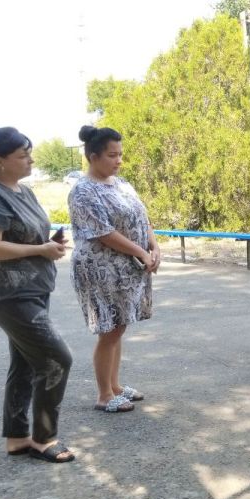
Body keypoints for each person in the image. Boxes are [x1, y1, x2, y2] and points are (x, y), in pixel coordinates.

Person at [0, 124, 75, 463]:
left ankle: (17, 438)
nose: (30, 159)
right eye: (22, 155)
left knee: (26, 364)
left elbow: (27, 236)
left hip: (34, 287)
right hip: (9, 295)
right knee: (57, 358)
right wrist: (39, 250)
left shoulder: (22, 192)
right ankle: (44, 439)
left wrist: (47, 245)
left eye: (29, 152)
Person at [69, 126, 160, 413]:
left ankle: (115, 386)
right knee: (109, 329)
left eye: (120, 154)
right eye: (112, 155)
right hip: (101, 270)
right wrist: (141, 252)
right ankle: (104, 395)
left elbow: (143, 218)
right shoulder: (83, 191)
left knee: (119, 326)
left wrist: (153, 247)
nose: (118, 160)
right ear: (92, 156)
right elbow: (103, 233)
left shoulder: (122, 185)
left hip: (129, 267)